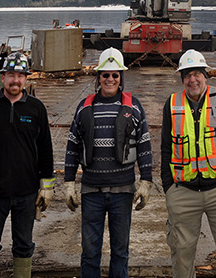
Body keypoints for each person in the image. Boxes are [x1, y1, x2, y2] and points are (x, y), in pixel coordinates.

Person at [64, 47, 152, 278]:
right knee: (90, 252)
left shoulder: (134, 107)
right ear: (98, 77)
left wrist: (146, 181)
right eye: (105, 74)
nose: (110, 79)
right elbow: (73, 145)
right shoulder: (84, 106)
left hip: (122, 191)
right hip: (91, 190)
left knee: (120, 251)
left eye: (115, 74)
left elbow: (144, 144)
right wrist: (69, 183)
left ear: (121, 77)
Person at [161, 49, 216, 278]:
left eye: (197, 73)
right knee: (181, 255)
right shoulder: (172, 104)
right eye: (187, 75)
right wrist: (169, 188)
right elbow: (165, 148)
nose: (193, 79)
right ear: (182, 79)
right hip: (184, 192)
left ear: (205, 76)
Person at [0, 51, 55, 278]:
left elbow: (45, 148)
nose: (15, 80)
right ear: (2, 77)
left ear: (26, 79)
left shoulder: (36, 109)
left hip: (27, 193)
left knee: (24, 244)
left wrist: (46, 187)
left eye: (20, 75)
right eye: (11, 74)